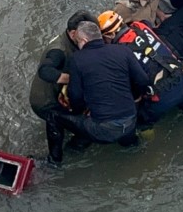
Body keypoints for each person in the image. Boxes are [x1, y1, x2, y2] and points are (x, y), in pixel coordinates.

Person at [52, 21, 152, 155]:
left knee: (53, 116)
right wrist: (135, 98)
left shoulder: (77, 59)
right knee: (130, 146)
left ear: (84, 40)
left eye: (78, 42)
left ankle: (54, 160)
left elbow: (75, 96)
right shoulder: (122, 50)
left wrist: (80, 113)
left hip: (103, 129)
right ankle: (134, 147)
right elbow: (143, 80)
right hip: (130, 119)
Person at [98, 10, 183, 123]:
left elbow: (133, 83)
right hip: (181, 80)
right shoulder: (140, 25)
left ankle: (147, 128)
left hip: (161, 98)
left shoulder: (119, 52)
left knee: (143, 120)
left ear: (111, 35)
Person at [28, 10, 96, 165]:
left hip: (58, 94)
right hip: (46, 102)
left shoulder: (75, 41)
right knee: (87, 131)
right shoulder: (58, 50)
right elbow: (45, 71)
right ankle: (60, 158)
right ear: (73, 33)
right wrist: (72, 79)